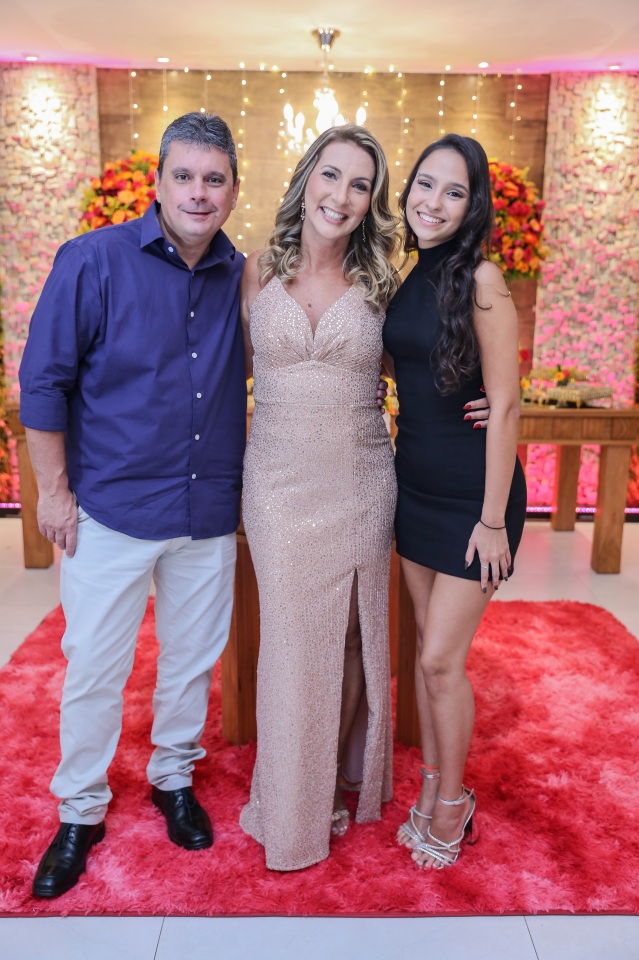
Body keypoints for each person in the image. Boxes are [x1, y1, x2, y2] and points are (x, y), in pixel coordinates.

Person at [237, 125, 489, 872]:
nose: (341, 196)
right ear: (305, 180)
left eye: (360, 185)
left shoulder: (383, 280)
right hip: (277, 481)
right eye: (331, 176)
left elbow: (426, 355)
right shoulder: (256, 271)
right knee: (291, 638)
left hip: (361, 477)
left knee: (352, 636)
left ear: (373, 201)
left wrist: (480, 399)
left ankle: (339, 780)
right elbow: (224, 373)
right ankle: (289, 799)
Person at [19, 113, 246, 898]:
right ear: (157, 182)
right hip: (110, 506)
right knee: (94, 666)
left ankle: (172, 778)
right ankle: (80, 809)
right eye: (183, 175)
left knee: (191, 660)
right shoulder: (92, 260)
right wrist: (53, 492)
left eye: (213, 179)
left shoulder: (243, 277)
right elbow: (43, 383)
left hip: (206, 508)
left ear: (233, 190)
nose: (197, 192)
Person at [383, 134, 527, 868]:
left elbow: (506, 405)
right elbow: (402, 367)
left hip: (474, 499)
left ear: (473, 207)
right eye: (424, 185)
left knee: (441, 659)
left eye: (453, 191)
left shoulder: (482, 278)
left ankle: (452, 801)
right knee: (423, 650)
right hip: (413, 486)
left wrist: (494, 520)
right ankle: (432, 781)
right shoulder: (409, 274)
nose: (432, 202)